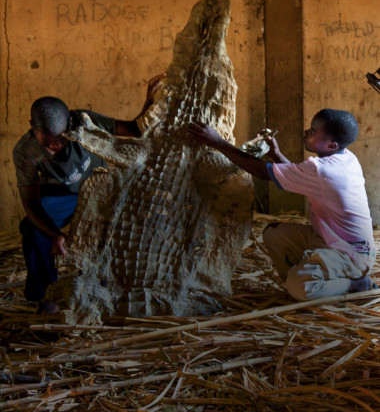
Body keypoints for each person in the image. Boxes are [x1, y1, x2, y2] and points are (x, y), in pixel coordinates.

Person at [13, 73, 165, 313]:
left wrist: (149, 100)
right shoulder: (25, 151)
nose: (54, 148)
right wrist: (54, 235)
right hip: (63, 198)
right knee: (33, 231)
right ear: (33, 128)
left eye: (60, 141)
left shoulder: (84, 121)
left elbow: (135, 129)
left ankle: (112, 290)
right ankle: (46, 297)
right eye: (46, 143)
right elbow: (31, 204)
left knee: (131, 225)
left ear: (69, 126)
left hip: (99, 191)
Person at [188, 109, 376, 301]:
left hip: (351, 254)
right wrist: (276, 154)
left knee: (300, 286)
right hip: (328, 240)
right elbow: (297, 176)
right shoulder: (344, 157)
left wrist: (218, 142)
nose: (306, 132)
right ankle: (315, 281)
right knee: (274, 234)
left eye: (313, 131)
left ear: (331, 144)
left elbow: (261, 172)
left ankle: (354, 284)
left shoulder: (324, 170)